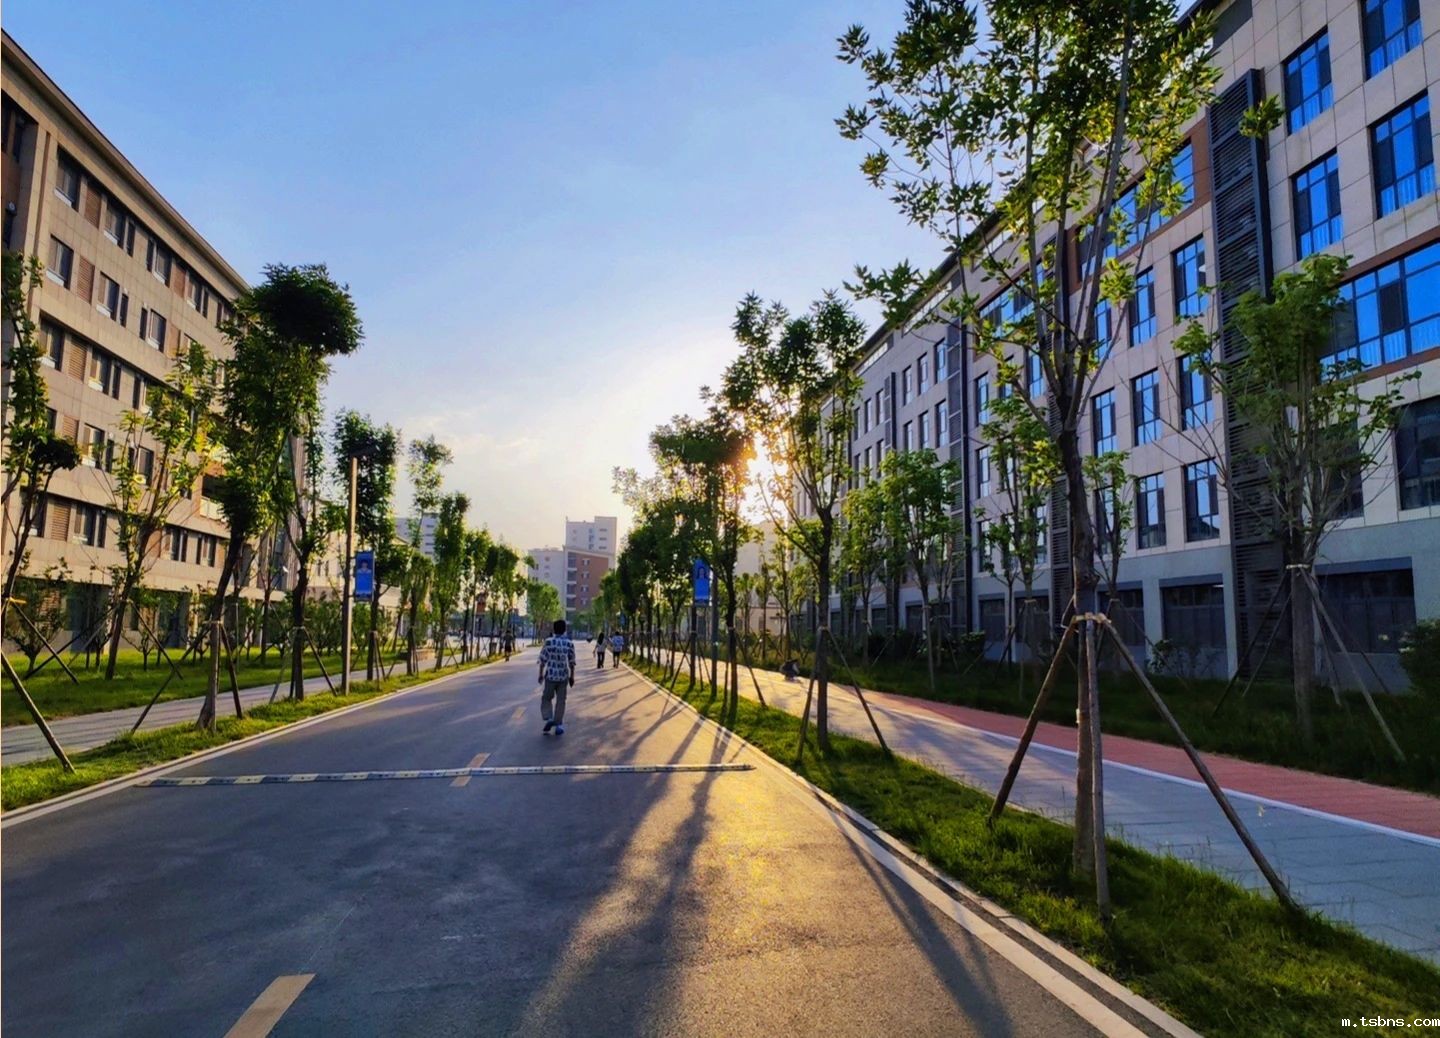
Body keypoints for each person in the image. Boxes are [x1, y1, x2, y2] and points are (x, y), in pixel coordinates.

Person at [537, 619, 576, 735]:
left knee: (546, 698)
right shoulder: (569, 643)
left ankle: (549, 718)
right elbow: (572, 662)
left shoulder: (548, 642)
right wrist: (572, 677)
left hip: (550, 676)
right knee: (561, 701)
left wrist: (540, 674)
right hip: (563, 676)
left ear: (554, 629)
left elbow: (542, 659)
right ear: (564, 630)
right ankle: (558, 725)